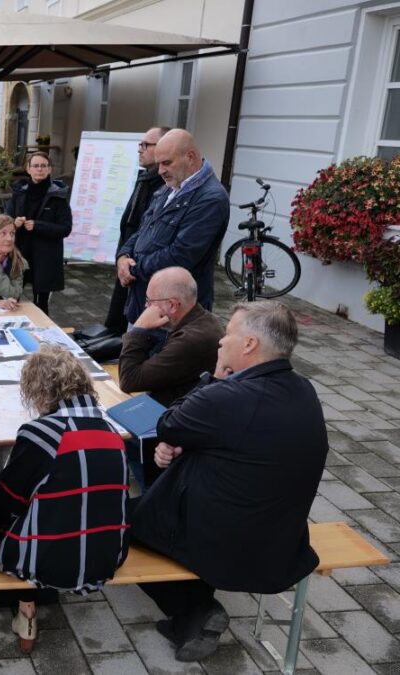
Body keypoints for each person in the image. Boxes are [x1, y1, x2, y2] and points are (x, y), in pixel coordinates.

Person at [132, 301, 327, 662]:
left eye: (227, 336)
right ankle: (189, 618)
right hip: (284, 538)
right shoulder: (303, 390)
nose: (221, 343)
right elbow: (235, 440)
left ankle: (194, 609)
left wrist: (216, 376)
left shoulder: (228, 395)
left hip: (230, 546)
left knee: (120, 522)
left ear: (249, 345)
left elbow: (169, 423)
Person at [0, 345, 129, 653]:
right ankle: (23, 606)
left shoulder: (41, 433)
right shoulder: (112, 433)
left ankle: (24, 608)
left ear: (36, 390)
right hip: (105, 557)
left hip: (48, 564)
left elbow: (9, 502)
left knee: (8, 519)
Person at [118, 266, 223, 489]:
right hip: (178, 408)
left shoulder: (191, 339)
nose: (146, 307)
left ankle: (150, 494)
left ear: (172, 305)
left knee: (115, 434)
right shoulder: (198, 319)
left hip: (173, 427)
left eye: (150, 301)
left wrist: (138, 329)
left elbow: (129, 379)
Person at [116, 129, 228, 325]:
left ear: (190, 157)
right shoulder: (170, 187)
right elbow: (143, 230)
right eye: (158, 164)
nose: (160, 171)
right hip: (145, 305)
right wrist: (123, 256)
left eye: (167, 163)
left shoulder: (210, 199)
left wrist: (133, 270)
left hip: (173, 317)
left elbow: (181, 255)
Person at [104, 126, 170, 334]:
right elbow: (131, 222)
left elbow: (147, 228)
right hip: (128, 258)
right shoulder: (144, 179)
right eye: (140, 144)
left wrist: (131, 261)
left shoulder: (164, 186)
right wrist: (122, 255)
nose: (140, 149)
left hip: (141, 267)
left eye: (146, 145)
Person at [4, 151, 72, 314]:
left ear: (49, 170)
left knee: (41, 304)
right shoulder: (19, 193)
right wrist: (15, 223)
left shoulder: (58, 196)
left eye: (43, 166)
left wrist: (38, 225)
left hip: (46, 256)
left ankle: (41, 334)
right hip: (20, 253)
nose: (39, 169)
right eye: (35, 166)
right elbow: (5, 220)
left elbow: (65, 229)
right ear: (28, 169)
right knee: (12, 298)